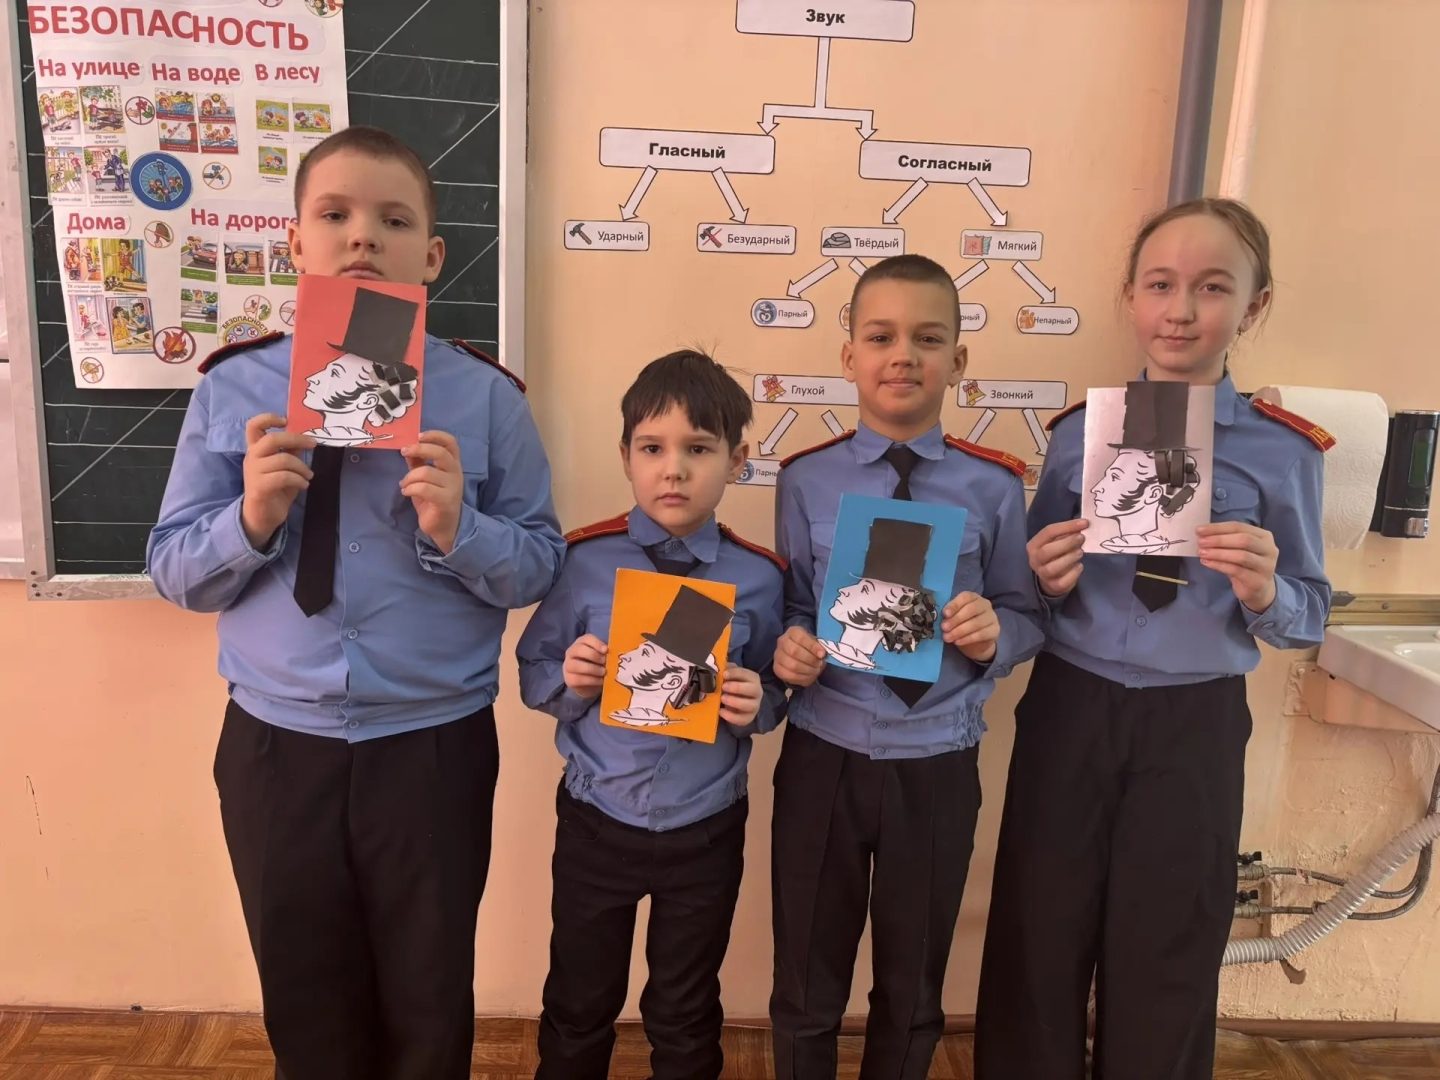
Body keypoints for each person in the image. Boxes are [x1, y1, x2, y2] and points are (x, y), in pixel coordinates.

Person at [147, 124, 565, 1080]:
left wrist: (461, 528)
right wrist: (249, 518)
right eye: (334, 215)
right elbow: (174, 568)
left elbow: (539, 565)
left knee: (427, 997)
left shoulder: (488, 398)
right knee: (306, 1000)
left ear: (433, 256)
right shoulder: (233, 388)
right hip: (275, 746)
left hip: (432, 746)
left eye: (394, 220)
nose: (363, 236)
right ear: (297, 243)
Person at [974, 198, 1332, 1080]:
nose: (1181, 310)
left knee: (1169, 944)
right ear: (1131, 297)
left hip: (1194, 722)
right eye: (1161, 285)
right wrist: (1044, 577)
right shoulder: (1075, 440)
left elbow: (1311, 612)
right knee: (1038, 933)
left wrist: (1266, 590)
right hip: (1071, 706)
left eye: (1211, 288)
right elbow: (1028, 598)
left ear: (1253, 306)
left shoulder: (1285, 454)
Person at [769, 253, 1045, 1079]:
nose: (903, 356)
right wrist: (791, 647)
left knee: (914, 985)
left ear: (957, 360)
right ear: (848, 354)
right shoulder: (805, 480)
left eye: (927, 339)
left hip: (936, 764)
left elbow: (1029, 613)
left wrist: (995, 634)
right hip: (824, 757)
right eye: (881, 337)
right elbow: (792, 603)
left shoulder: (994, 487)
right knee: (805, 984)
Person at [516, 349, 786, 1080]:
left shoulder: (761, 578)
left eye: (698, 449)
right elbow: (533, 673)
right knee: (578, 999)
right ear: (626, 457)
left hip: (706, 827)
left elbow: (775, 689)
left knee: (685, 1007)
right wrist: (570, 680)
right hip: (596, 820)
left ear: (736, 460)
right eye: (653, 448)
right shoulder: (584, 561)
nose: (674, 471)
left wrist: (758, 703)